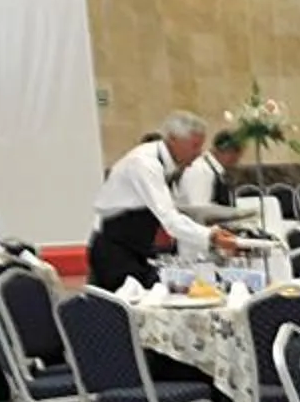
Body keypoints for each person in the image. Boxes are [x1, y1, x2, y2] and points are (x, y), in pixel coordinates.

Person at [87, 110, 236, 291]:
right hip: (115, 251)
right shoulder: (144, 163)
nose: (199, 153)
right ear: (173, 139)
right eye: (194, 146)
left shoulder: (166, 164)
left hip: (137, 249)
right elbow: (169, 219)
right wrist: (211, 236)